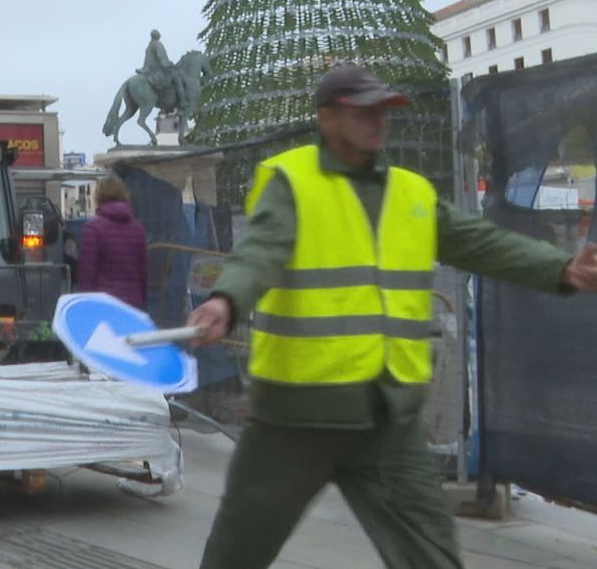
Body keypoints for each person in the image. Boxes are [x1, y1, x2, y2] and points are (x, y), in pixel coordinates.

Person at [187, 64, 597, 569]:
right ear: (328, 117)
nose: (379, 119)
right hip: (296, 418)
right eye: (364, 109)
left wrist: (560, 268)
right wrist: (226, 301)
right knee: (237, 551)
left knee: (431, 555)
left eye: (384, 109)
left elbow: (479, 242)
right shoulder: (292, 182)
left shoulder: (412, 193)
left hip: (387, 419)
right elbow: (261, 251)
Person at [76, 175, 148, 310]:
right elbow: (142, 271)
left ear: (98, 196)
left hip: (103, 302)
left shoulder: (93, 228)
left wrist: (84, 304)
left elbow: (87, 272)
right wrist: (142, 300)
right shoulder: (138, 228)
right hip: (132, 302)